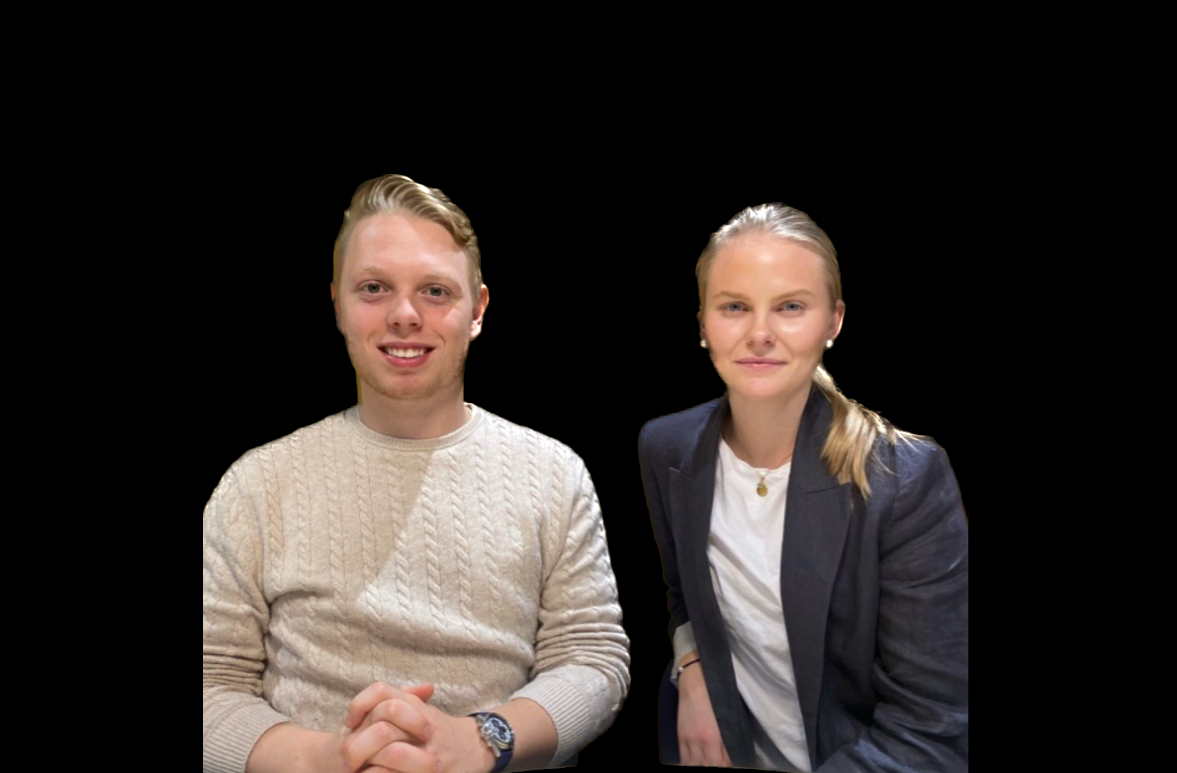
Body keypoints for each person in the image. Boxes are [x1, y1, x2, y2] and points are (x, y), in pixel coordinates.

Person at [203, 174, 630, 773]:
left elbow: (591, 660)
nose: (404, 315)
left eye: (435, 291)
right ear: (338, 305)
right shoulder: (255, 486)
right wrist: (327, 758)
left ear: (477, 310)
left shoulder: (554, 474)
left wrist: (481, 742)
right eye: (374, 288)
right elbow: (211, 681)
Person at [639, 204, 968, 771]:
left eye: (790, 307)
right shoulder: (666, 447)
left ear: (834, 322)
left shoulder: (906, 479)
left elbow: (932, 729)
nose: (759, 334)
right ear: (703, 324)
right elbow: (683, 594)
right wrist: (691, 667)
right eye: (734, 307)